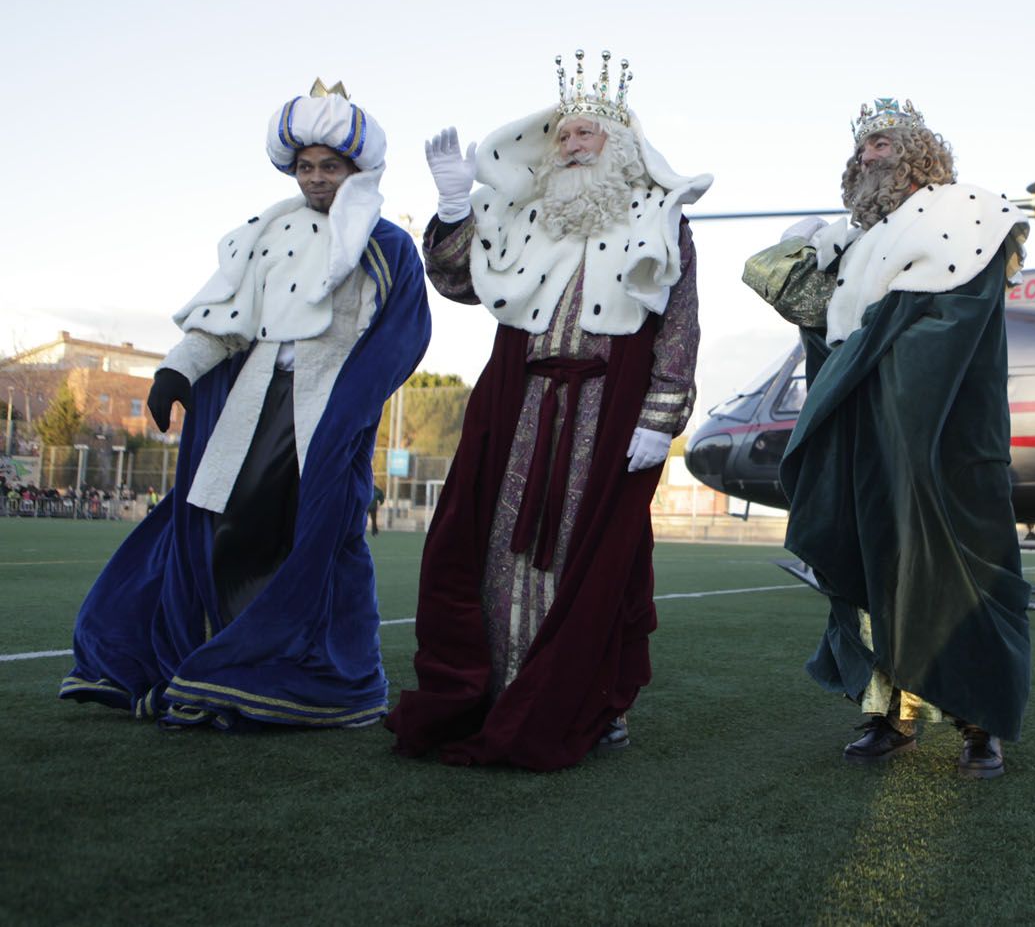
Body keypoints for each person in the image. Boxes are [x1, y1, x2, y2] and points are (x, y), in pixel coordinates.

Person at [60, 81, 430, 728]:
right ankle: (223, 660)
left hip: (324, 413)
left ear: (356, 167)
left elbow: (401, 335)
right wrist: (177, 370)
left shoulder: (386, 244)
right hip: (249, 405)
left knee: (319, 539)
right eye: (307, 166)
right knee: (223, 531)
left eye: (330, 166)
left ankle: (311, 677)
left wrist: (351, 408)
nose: (317, 179)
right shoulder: (267, 231)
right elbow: (224, 321)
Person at [387, 50, 708, 770]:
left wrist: (661, 417)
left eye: (586, 133)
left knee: (600, 562)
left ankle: (592, 702)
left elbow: (679, 325)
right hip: (517, 402)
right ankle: (499, 692)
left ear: (619, 143)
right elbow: (461, 284)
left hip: (611, 407)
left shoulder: (662, 222)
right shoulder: (526, 216)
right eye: (563, 134)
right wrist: (450, 211)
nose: (571, 143)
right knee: (490, 549)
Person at [743, 98, 1032, 779]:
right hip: (866, 432)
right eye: (864, 148)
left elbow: (947, 326)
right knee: (874, 564)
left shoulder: (969, 217)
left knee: (962, 564)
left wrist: (867, 351)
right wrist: (811, 246)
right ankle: (889, 712)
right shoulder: (861, 243)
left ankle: (979, 723)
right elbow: (812, 315)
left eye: (883, 145)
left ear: (918, 153)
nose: (870, 157)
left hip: (942, 434)